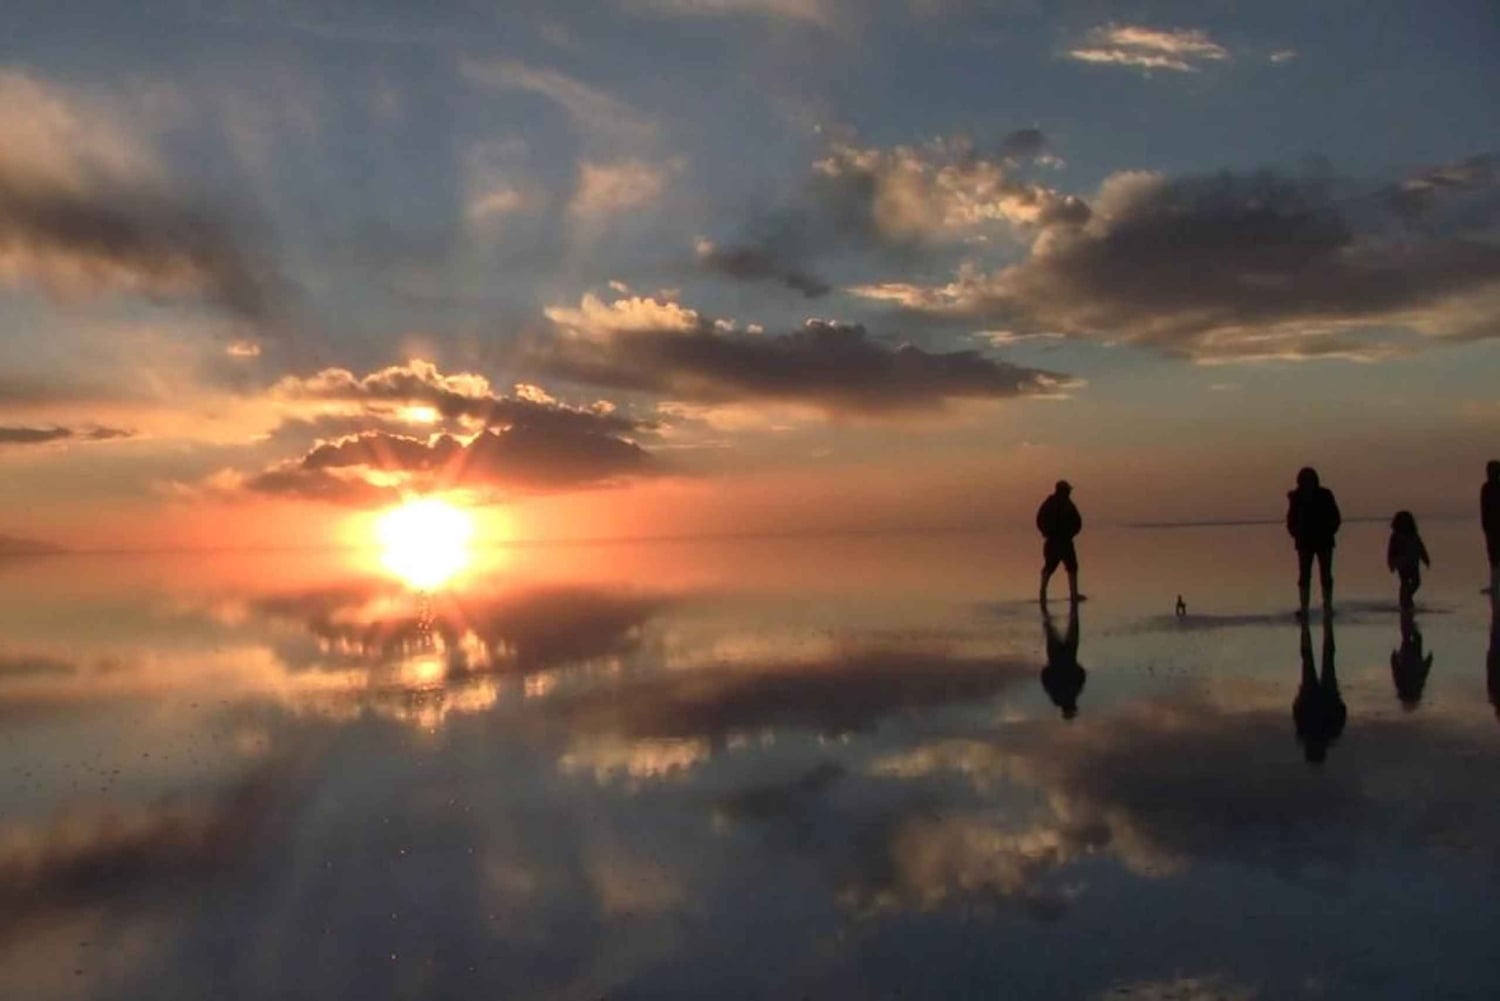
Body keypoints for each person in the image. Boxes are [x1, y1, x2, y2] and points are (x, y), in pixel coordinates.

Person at [1286, 467, 1342, 619]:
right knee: (1306, 576)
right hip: (1306, 542)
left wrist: (1329, 530)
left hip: (1322, 541)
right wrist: (1296, 533)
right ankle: (1306, 607)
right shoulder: (1297, 497)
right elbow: (1291, 520)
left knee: (1324, 575)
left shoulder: (1324, 495)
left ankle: (1326, 606)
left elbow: (1335, 517)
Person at [1293, 618, 1345, 764]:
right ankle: (1313, 627)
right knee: (1314, 658)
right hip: (1320, 695)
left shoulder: (1326, 734)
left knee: (1323, 657)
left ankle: (1310, 626)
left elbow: (1341, 712)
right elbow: (1297, 710)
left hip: (1318, 695)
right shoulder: (1311, 733)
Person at [1036, 480, 1083, 604]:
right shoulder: (1067, 504)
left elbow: (1039, 520)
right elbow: (1077, 522)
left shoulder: (1048, 503)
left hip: (1051, 541)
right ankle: (1073, 594)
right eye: (1068, 490)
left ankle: (1042, 593)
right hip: (1064, 541)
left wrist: (1046, 532)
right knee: (1072, 568)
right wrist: (1070, 533)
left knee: (1049, 567)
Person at [1040, 603, 1085, 719]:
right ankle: (1044, 604)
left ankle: (1044, 603)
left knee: (1055, 626)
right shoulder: (1068, 694)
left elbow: (1081, 675)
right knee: (1052, 626)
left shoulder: (1063, 695)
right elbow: (1045, 677)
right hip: (1064, 656)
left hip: (1063, 656)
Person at [1386, 510, 1432, 610]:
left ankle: (1407, 598)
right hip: (1402, 564)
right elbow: (1391, 551)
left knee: (1416, 582)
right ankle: (1405, 601)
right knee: (1405, 583)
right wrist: (1391, 563)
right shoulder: (1396, 536)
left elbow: (1421, 547)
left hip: (1413, 562)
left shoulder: (1414, 535)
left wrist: (1426, 559)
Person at [1390, 608, 1433, 711]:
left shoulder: (1405, 686)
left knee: (1410, 639)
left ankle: (1408, 619)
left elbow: (1397, 672)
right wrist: (1393, 659)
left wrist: (1429, 661)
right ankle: (1408, 619)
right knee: (1411, 639)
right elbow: (1423, 674)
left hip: (1409, 660)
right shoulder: (1412, 686)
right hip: (1412, 660)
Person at [1483, 460, 1500, 595]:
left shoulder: (1488, 488)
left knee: (1494, 557)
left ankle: (1495, 585)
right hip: (1491, 528)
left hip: (1493, 528)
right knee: (1493, 557)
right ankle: (1495, 584)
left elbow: (1485, 509)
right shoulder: (1487, 488)